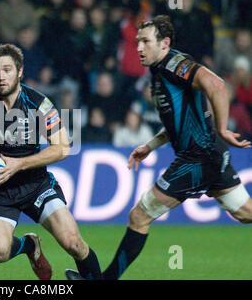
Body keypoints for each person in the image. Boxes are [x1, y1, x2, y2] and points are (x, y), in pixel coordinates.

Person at [67, 15, 252, 280]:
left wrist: (223, 128)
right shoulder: (159, 71)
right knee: (246, 213)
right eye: (136, 41)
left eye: (145, 41)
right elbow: (178, 122)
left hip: (197, 158)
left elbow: (218, 85)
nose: (139, 47)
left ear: (164, 43)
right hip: (210, 153)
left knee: (139, 216)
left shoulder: (174, 64)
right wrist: (150, 145)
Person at [0, 43, 103, 280]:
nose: (1, 76)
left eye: (7, 69)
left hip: (36, 185)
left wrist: (19, 164)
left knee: (73, 244)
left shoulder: (38, 103)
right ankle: (28, 246)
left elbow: (62, 148)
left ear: (20, 71)